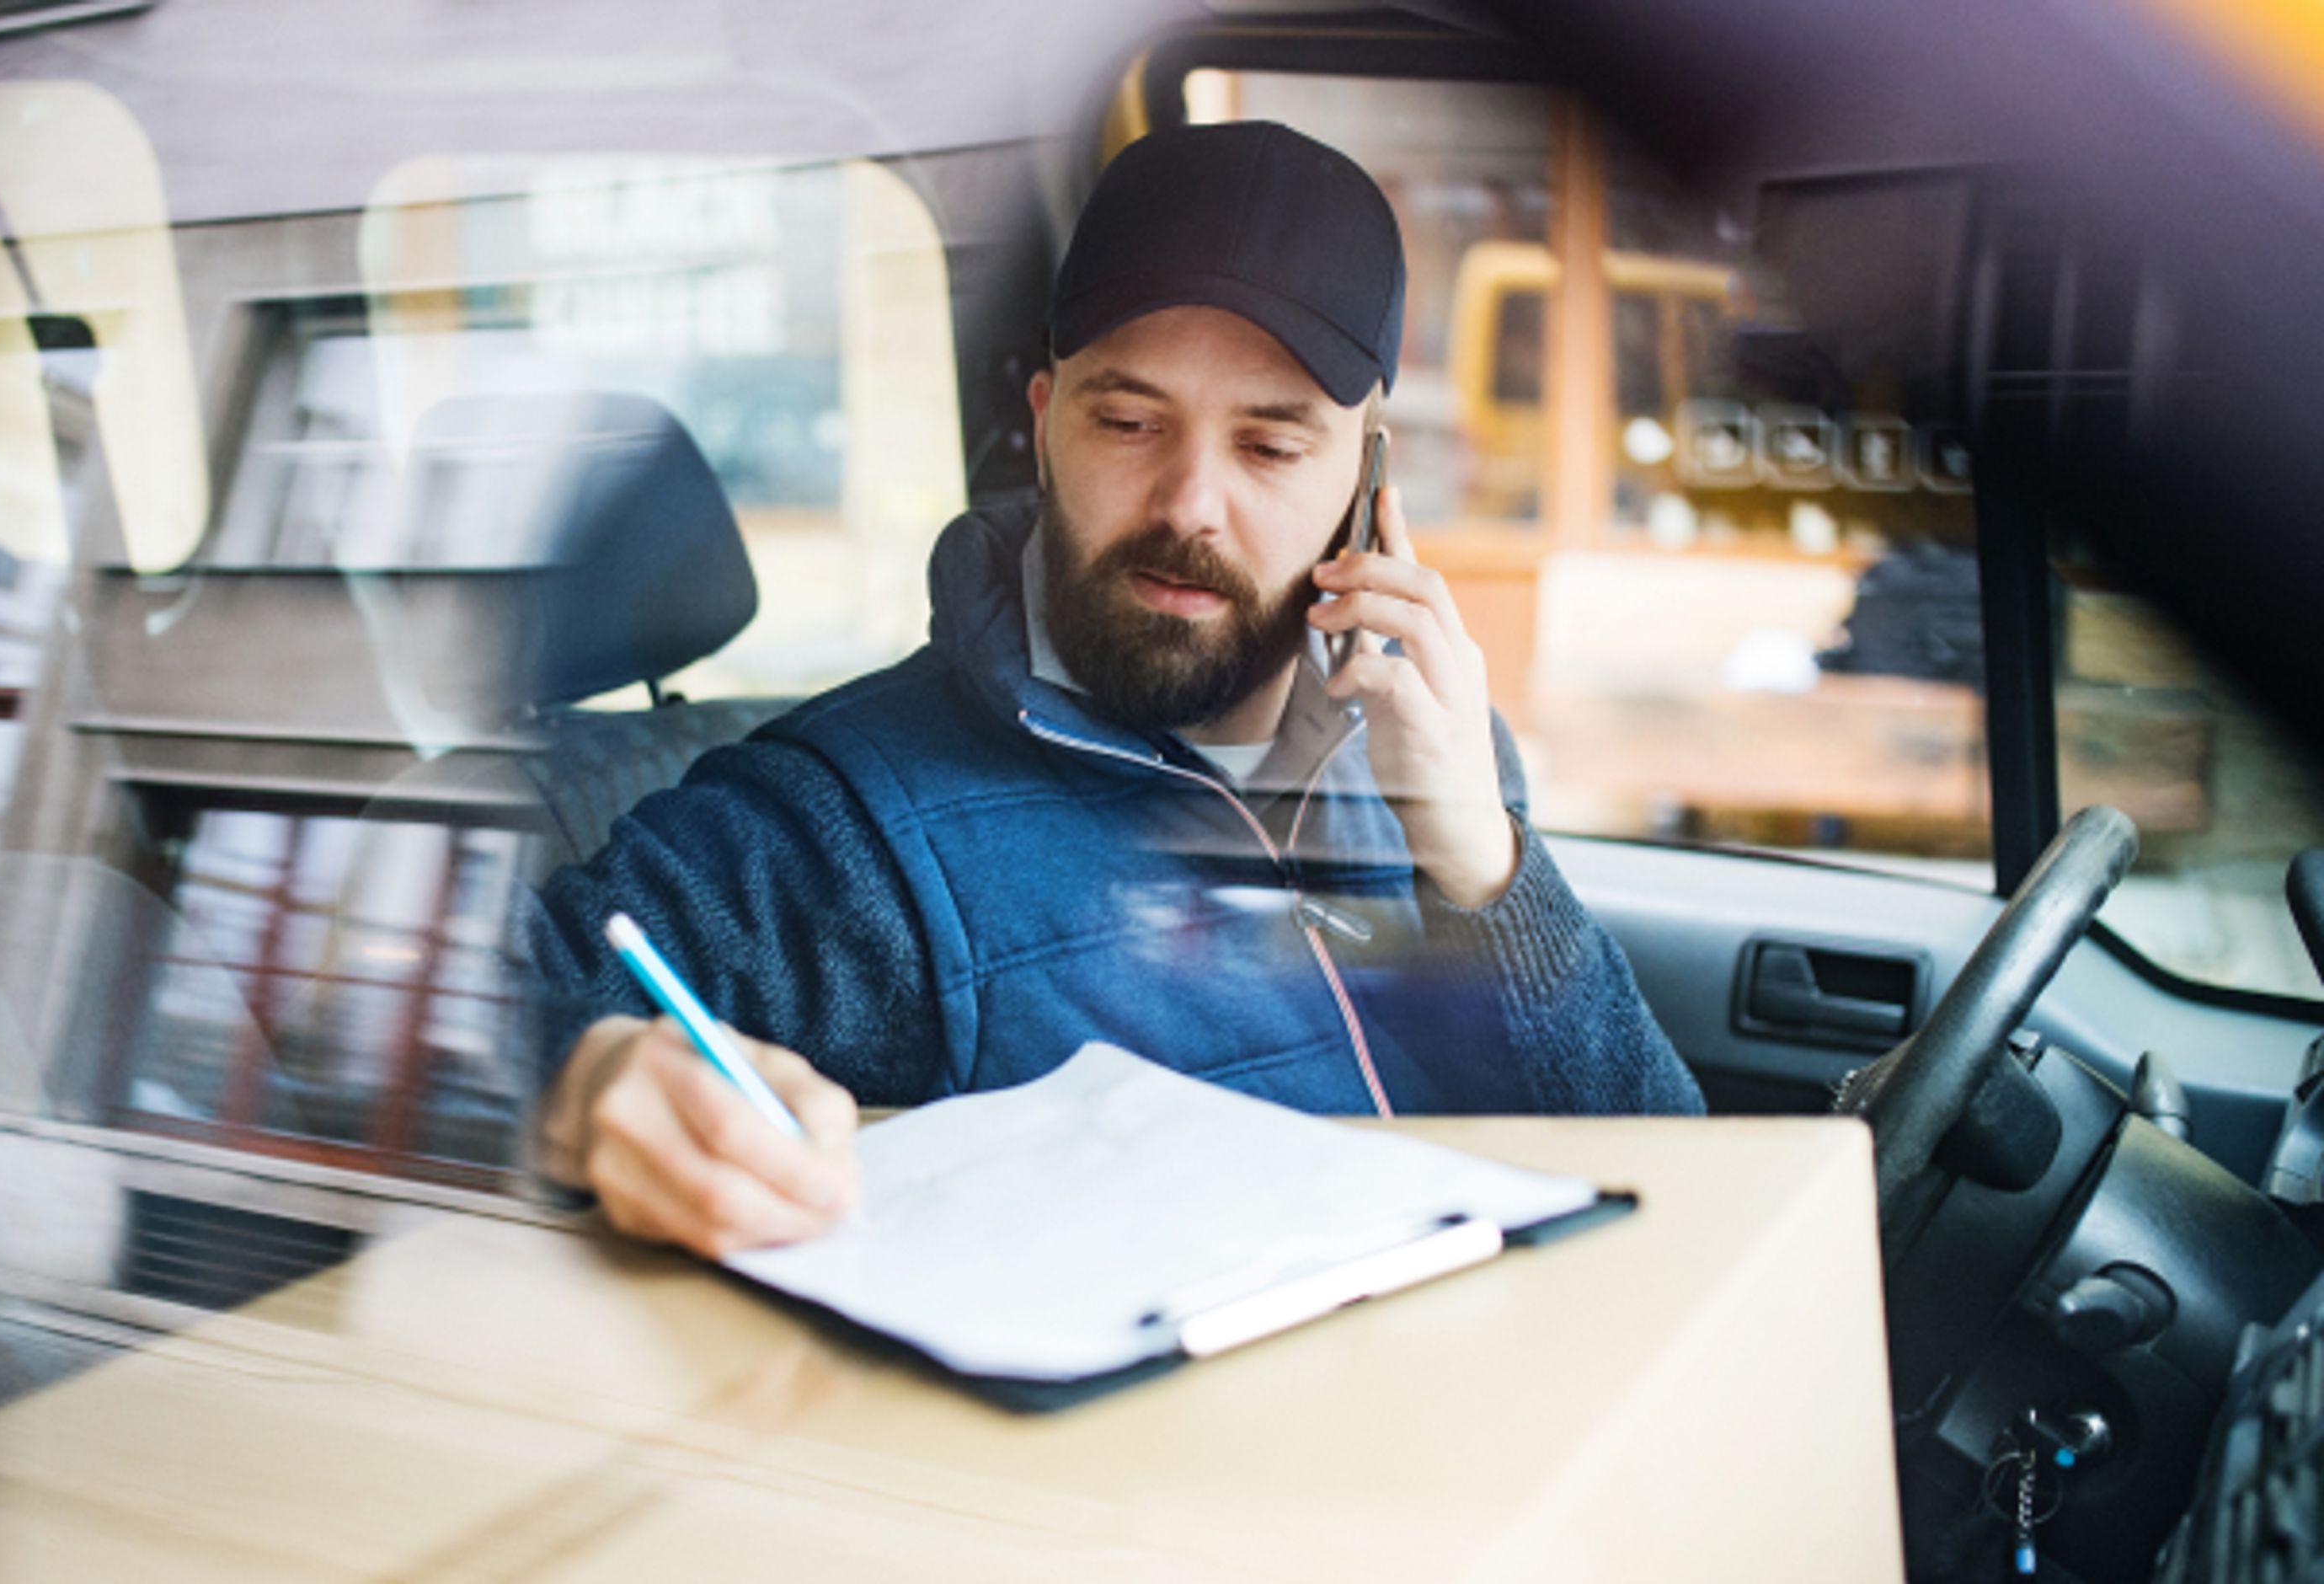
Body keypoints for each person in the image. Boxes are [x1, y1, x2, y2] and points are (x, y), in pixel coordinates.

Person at [523, 120, 1702, 1258]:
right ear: (1045, 428)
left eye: (1271, 448)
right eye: (1131, 421)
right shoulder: (845, 827)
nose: (1191, 502)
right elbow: (445, 1016)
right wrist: (585, 1086)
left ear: (1368, 480)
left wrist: (1485, 865)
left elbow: (1678, 1190)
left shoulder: (1431, 753)